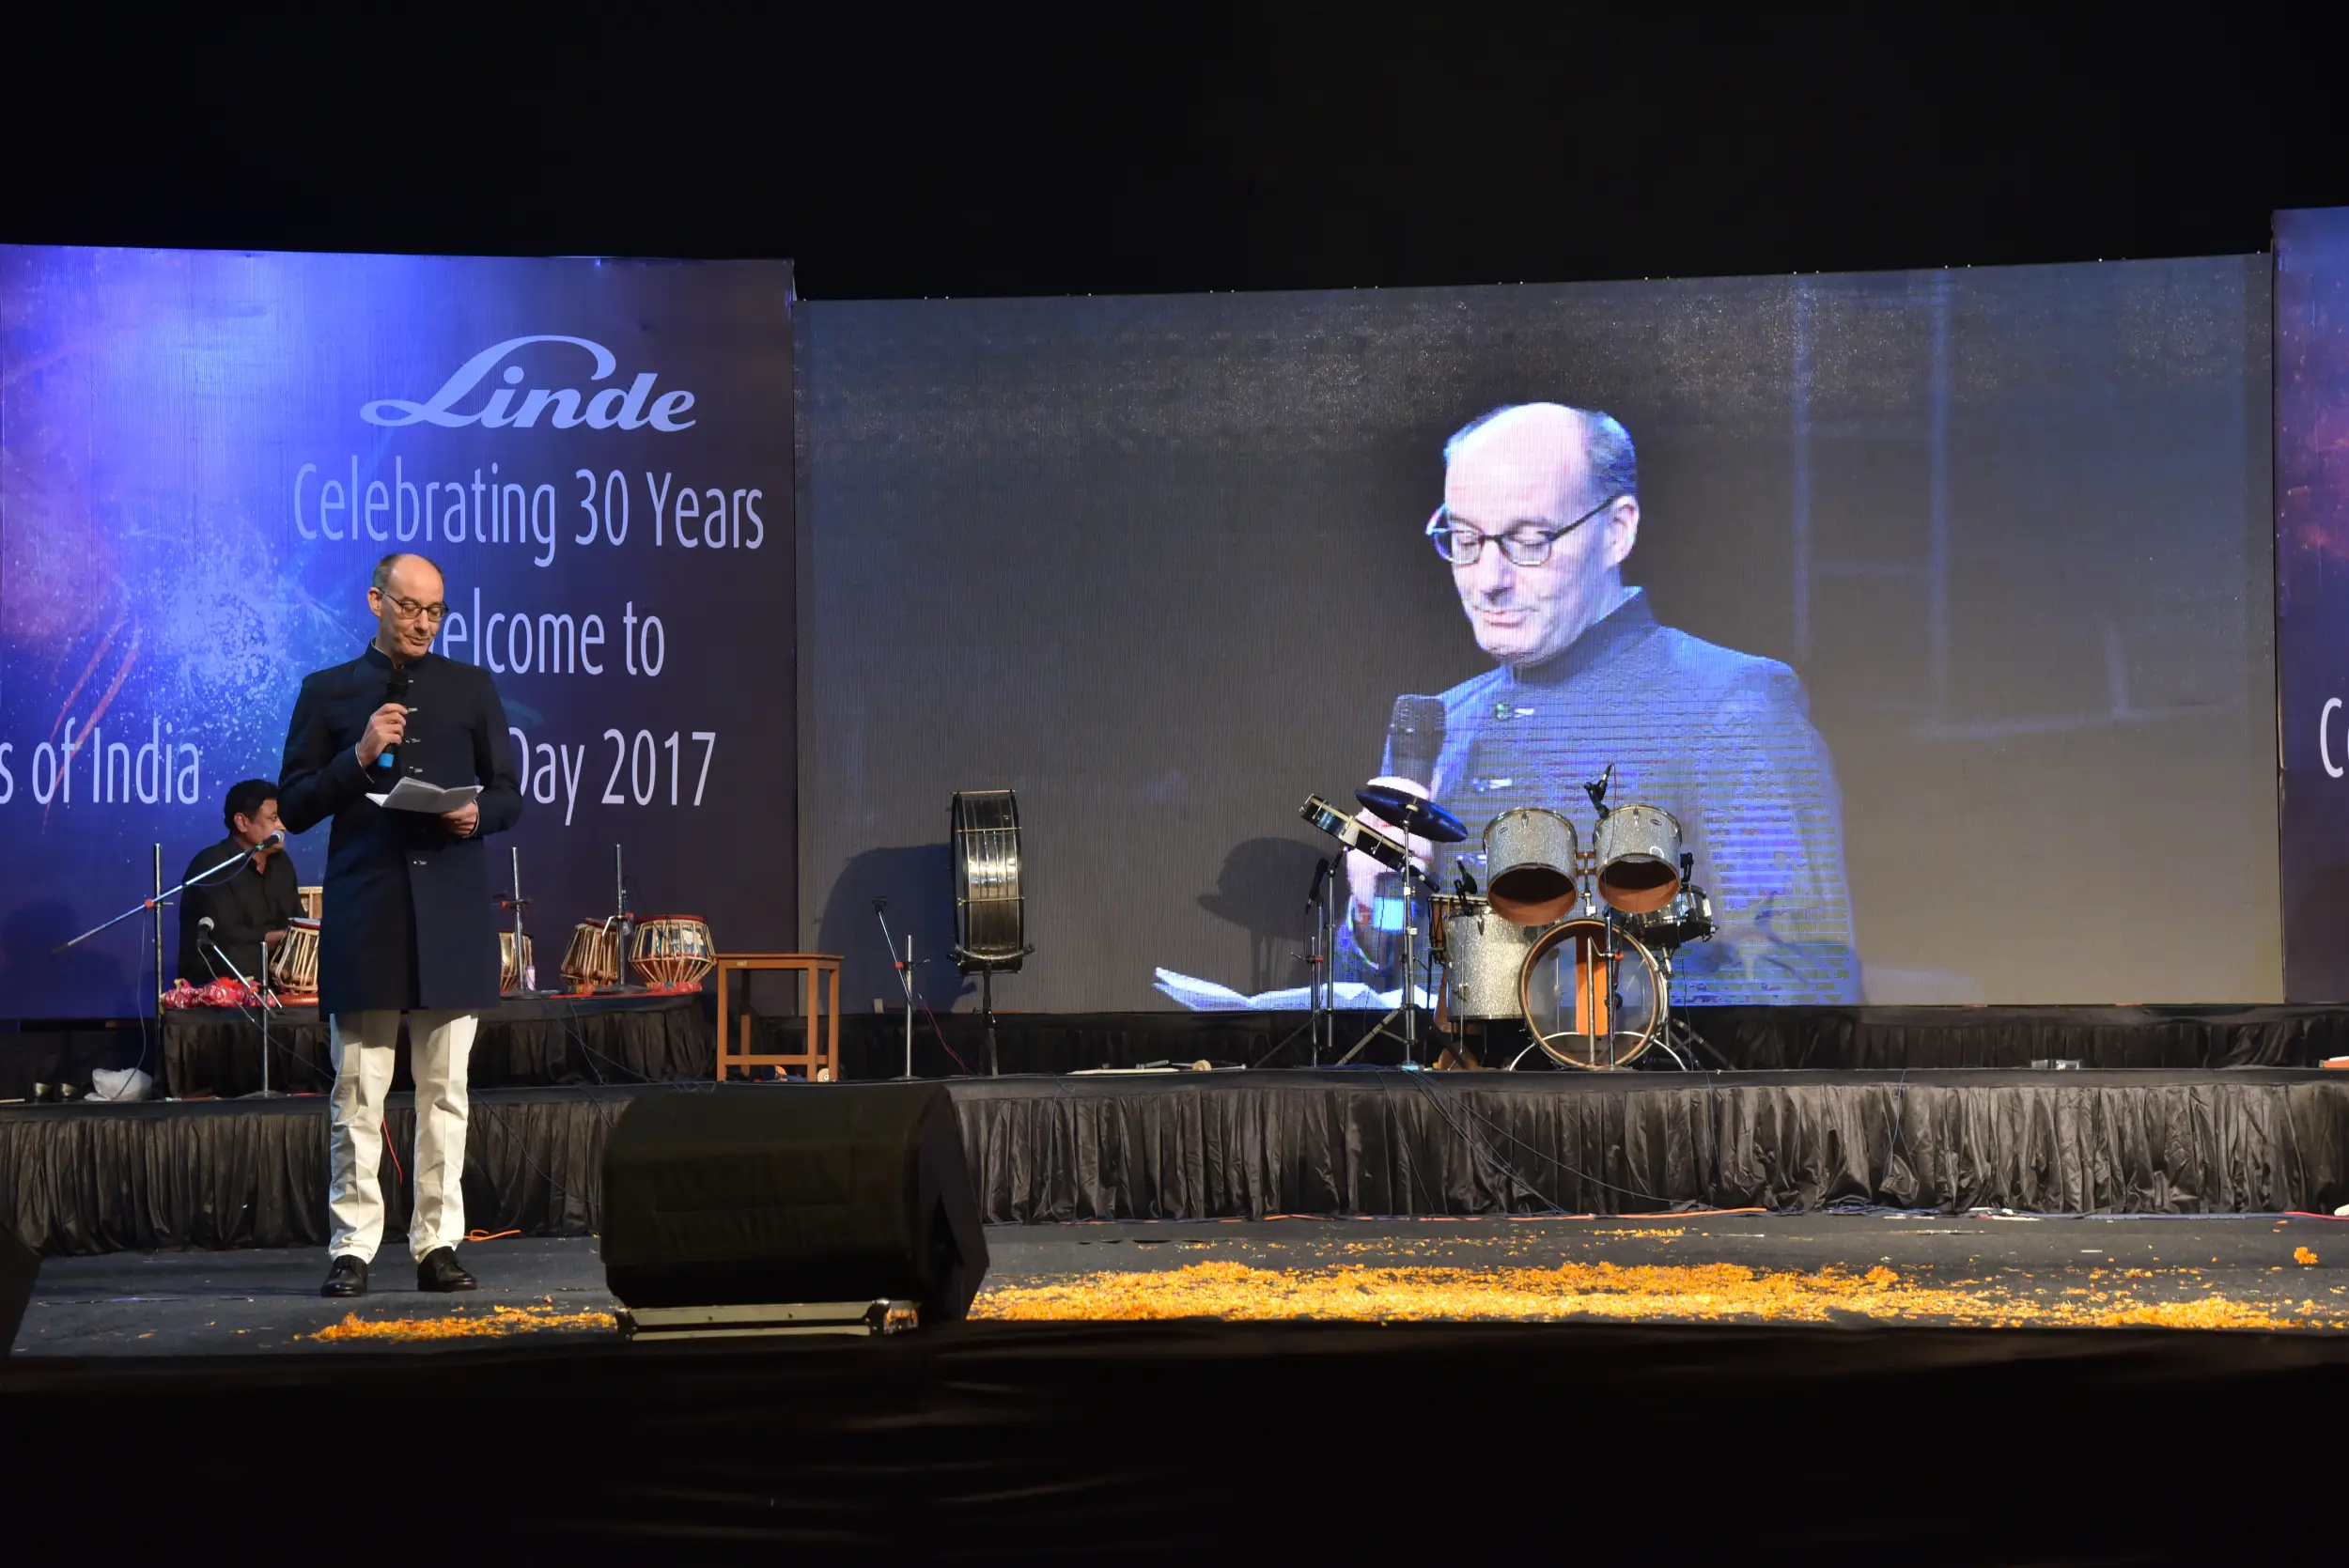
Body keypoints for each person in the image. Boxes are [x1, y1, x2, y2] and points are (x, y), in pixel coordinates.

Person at [1342, 402, 1860, 1004]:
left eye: (1529, 541)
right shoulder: (1444, 725)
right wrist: (1371, 912)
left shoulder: (1729, 707)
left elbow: (1805, 979)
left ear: (1617, 530)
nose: (1487, 579)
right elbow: (1387, 996)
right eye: (1465, 540)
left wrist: (1575, 1013)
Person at [278, 551, 523, 1298]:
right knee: (358, 1087)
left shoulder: (470, 686)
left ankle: (437, 1243)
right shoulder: (328, 690)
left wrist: (475, 813)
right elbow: (295, 805)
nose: (423, 622)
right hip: (369, 908)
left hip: (450, 908)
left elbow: (509, 792)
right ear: (375, 601)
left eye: (435, 610)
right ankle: (353, 1246)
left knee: (445, 1088)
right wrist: (358, 755)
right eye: (410, 607)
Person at [177, 779, 301, 986]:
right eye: (274, 818)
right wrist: (277, 938)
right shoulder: (210, 865)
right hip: (222, 977)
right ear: (242, 822)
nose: (282, 826)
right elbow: (225, 936)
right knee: (237, 955)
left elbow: (295, 918)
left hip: (275, 976)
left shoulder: (282, 864)